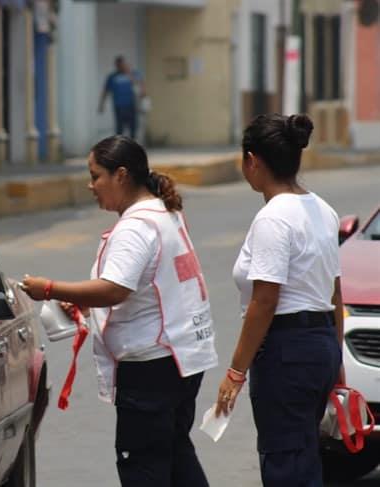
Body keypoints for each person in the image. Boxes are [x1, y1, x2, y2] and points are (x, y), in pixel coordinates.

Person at [21, 135, 218, 486]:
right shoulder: (162, 212)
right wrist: (82, 300)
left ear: (121, 175)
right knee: (175, 455)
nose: (91, 185)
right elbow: (143, 284)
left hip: (151, 368)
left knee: (144, 466)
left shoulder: (136, 226)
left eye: (96, 176)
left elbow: (115, 288)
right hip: (181, 359)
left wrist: (49, 288)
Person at [215, 113, 342, 486]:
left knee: (284, 461)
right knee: (303, 457)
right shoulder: (323, 209)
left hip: (287, 352)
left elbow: (265, 301)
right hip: (319, 346)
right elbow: (336, 292)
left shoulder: (273, 218)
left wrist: (235, 372)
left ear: (252, 161)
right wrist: (334, 358)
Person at [99, 56, 145, 140]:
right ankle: (120, 148)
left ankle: (132, 147)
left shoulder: (133, 74)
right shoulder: (112, 77)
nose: (120, 67)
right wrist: (101, 104)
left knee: (133, 127)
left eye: (122, 64)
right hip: (119, 106)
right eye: (118, 65)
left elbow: (140, 87)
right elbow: (106, 91)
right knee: (119, 129)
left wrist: (129, 74)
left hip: (132, 105)